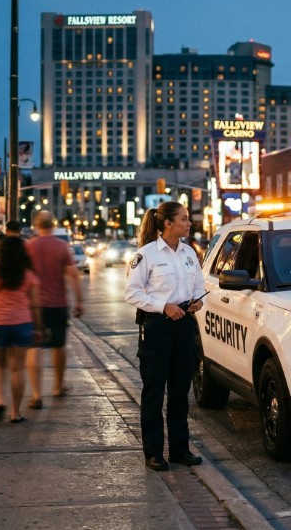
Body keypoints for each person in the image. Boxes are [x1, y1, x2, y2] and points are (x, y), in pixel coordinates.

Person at [124, 202, 205, 471]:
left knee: (181, 391)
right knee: (154, 391)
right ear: (168, 223)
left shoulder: (189, 253)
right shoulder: (145, 255)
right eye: (184, 218)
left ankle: (180, 449)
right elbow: (132, 293)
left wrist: (197, 302)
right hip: (157, 327)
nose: (189, 222)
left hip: (184, 326)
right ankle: (154, 452)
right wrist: (163, 307)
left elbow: (198, 286)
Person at [0, 237, 42, 423]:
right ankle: (15, 412)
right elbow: (36, 305)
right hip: (22, 323)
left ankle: (0, 400)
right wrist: (38, 327)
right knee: (17, 368)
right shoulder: (28, 274)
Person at [25, 211, 83, 408]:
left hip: (34, 305)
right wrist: (79, 301)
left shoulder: (29, 246)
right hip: (58, 303)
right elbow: (73, 275)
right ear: (53, 224)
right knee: (59, 345)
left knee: (35, 347)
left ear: (36, 225)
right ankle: (58, 386)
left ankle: (36, 394)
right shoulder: (62, 246)